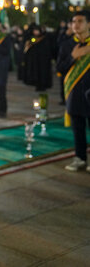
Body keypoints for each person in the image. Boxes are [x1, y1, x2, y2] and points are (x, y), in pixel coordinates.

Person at [56, 10, 90, 172]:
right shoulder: (67, 45)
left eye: (80, 21)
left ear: (88, 24)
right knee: (78, 128)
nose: (75, 25)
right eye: (73, 21)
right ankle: (80, 157)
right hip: (74, 92)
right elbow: (60, 69)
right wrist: (73, 57)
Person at [22, 24, 53, 91]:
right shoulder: (33, 38)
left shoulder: (44, 38)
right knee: (36, 73)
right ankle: (37, 85)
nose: (35, 32)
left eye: (37, 31)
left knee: (42, 73)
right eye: (34, 31)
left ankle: (43, 86)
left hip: (43, 60)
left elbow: (47, 49)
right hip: (35, 60)